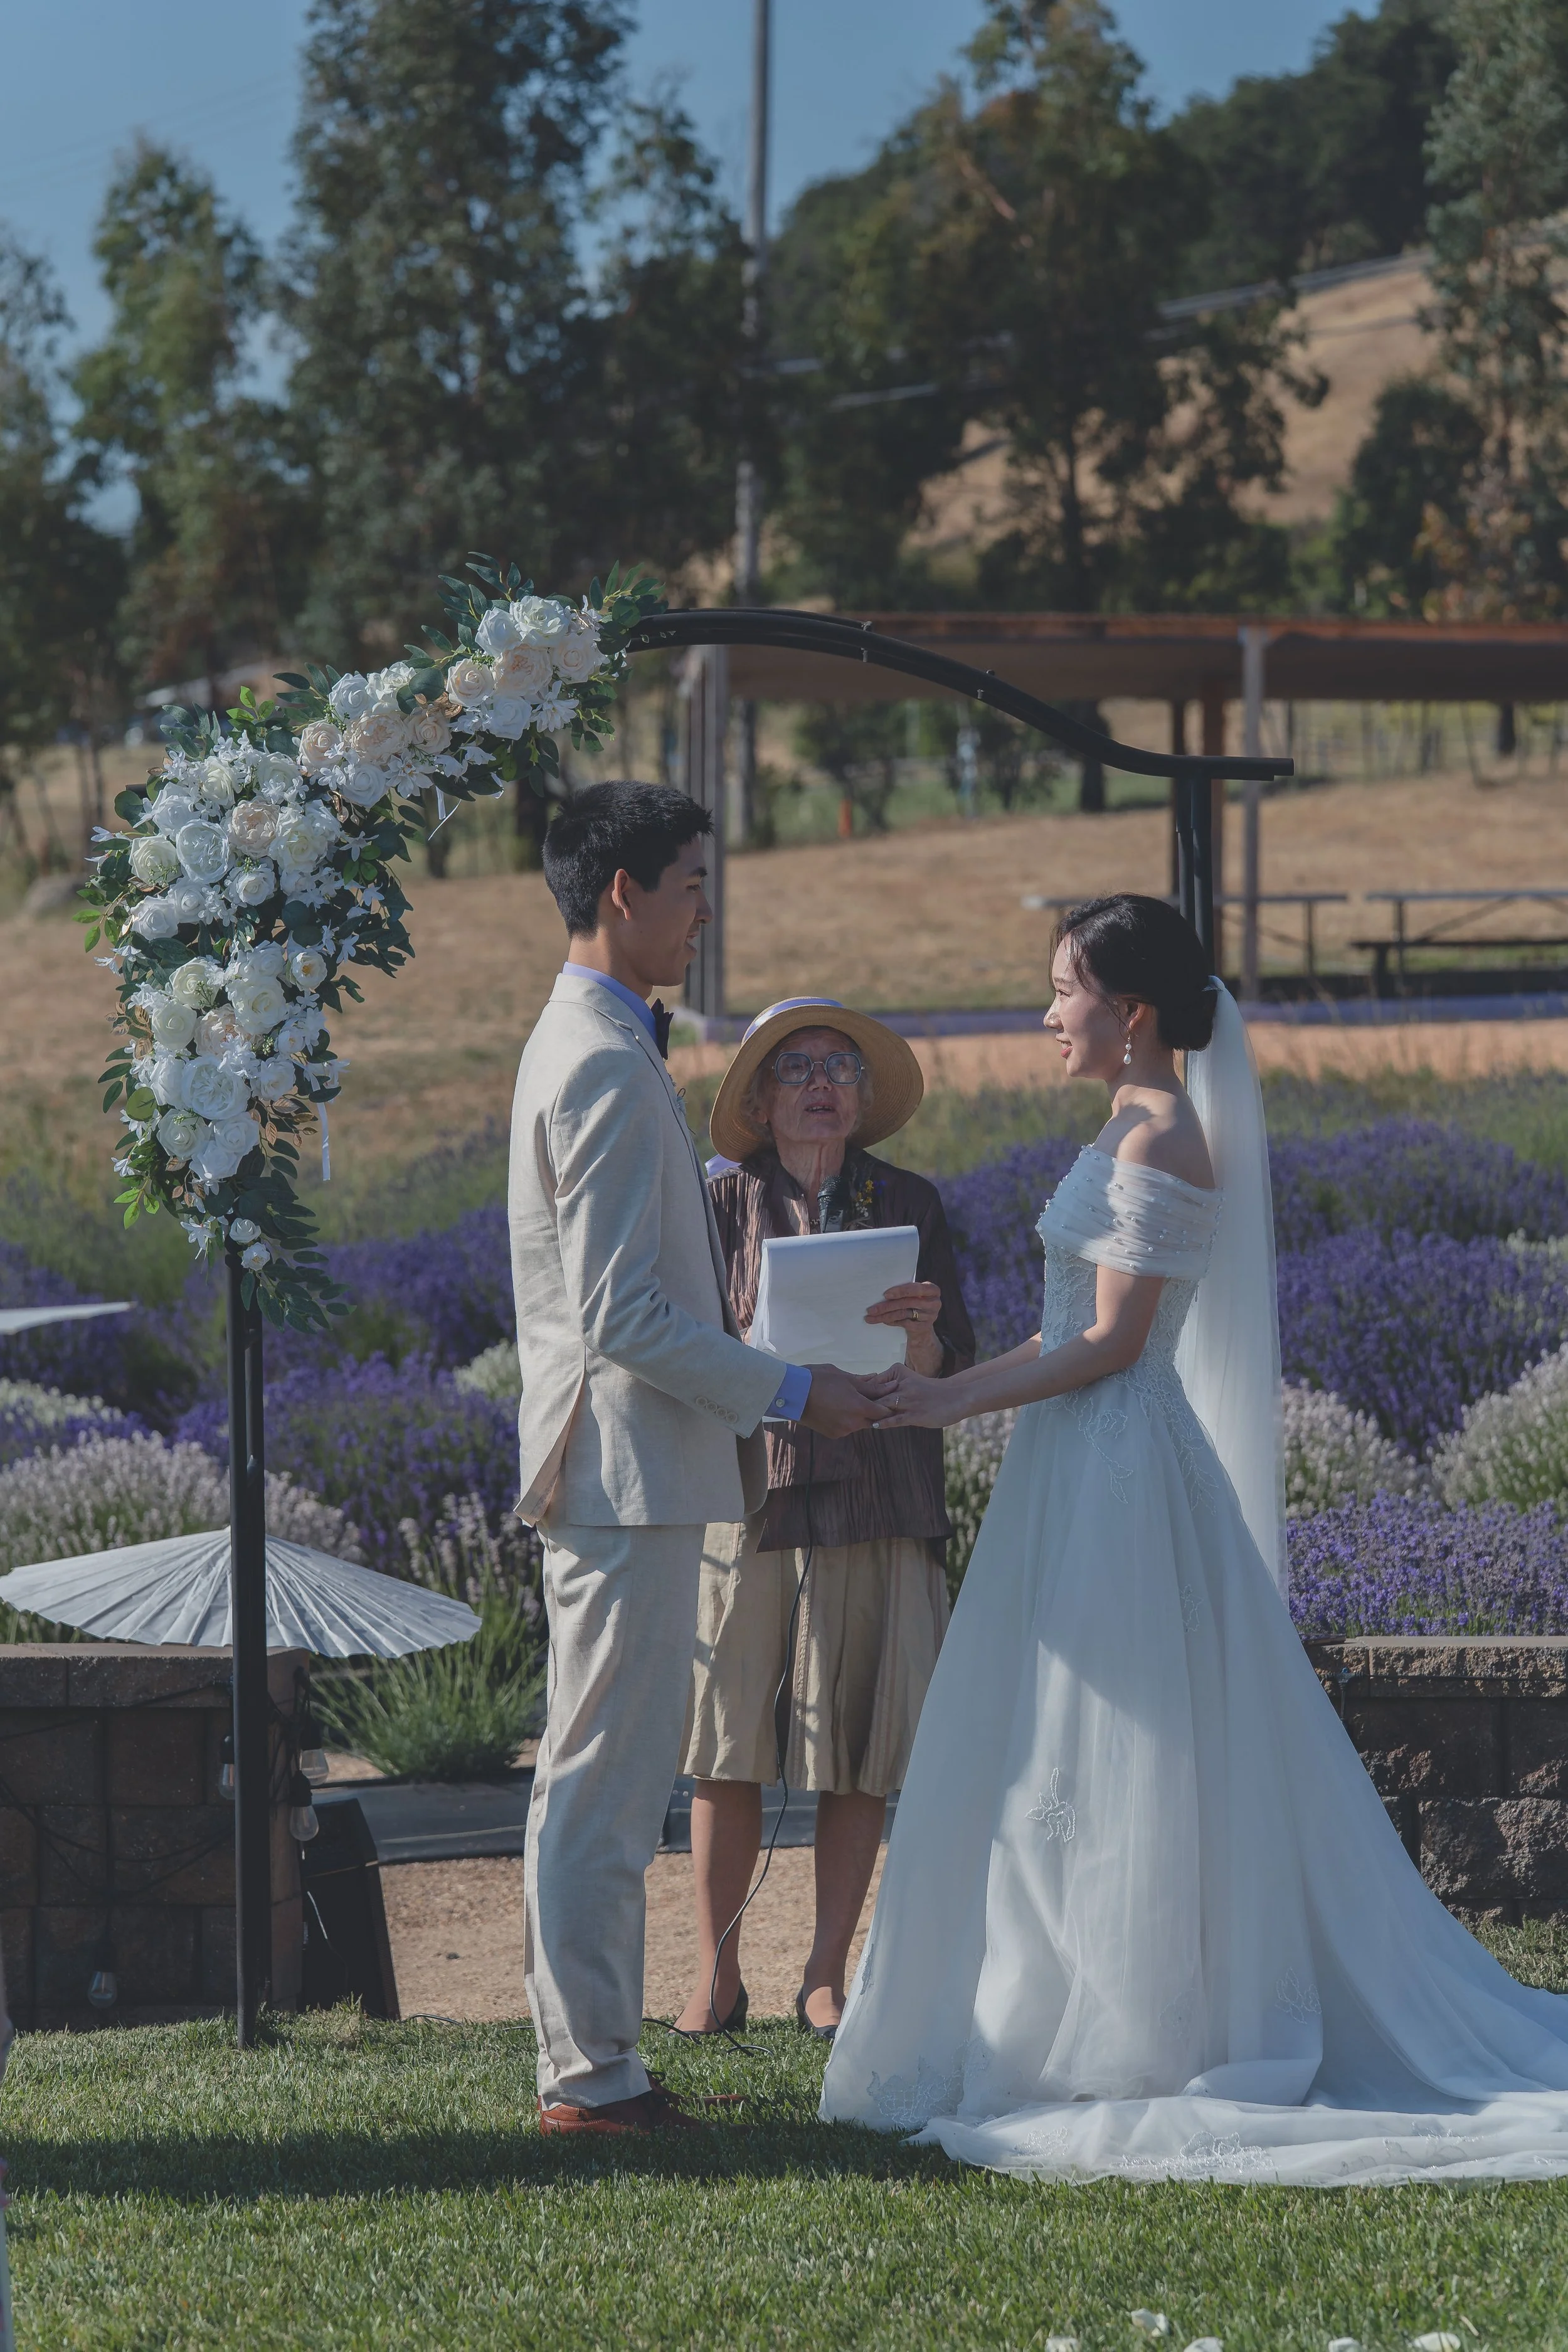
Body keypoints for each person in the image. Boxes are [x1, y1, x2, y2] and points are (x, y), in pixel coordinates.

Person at [820, 893, 1568, 2183]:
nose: (1045, 1013)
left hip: (1116, 1471)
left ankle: (1129, 2025)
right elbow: (1072, 1328)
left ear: (1132, 1013)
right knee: (1048, 1737)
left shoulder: (1159, 1138)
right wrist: (932, 1370)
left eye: (1063, 990)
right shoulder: (1123, 1121)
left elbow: (1110, 1347)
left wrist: (947, 1399)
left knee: (1117, 1746)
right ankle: (1053, 2000)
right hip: (1073, 1461)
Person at [509, 782, 889, 2137]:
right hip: (620, 1470)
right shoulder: (603, 1061)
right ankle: (592, 2074)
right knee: (604, 1783)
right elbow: (621, 1313)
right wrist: (791, 1386)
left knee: (600, 1776)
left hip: (630, 1468)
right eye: (688, 882)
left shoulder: (595, 1041)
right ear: (622, 891)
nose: (703, 907)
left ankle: (589, 2059)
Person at [672, 997, 975, 2040]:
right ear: (759, 1098)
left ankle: (823, 1974)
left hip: (882, 1492)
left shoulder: (911, 1202)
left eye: (840, 1067)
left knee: (859, 1740)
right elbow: (680, 1355)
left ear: (863, 1098)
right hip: (745, 1497)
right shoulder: (715, 1204)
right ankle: (715, 1974)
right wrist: (756, 1351)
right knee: (725, 1740)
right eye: (794, 1066)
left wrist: (923, 1341)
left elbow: (951, 1370)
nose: (820, 1082)